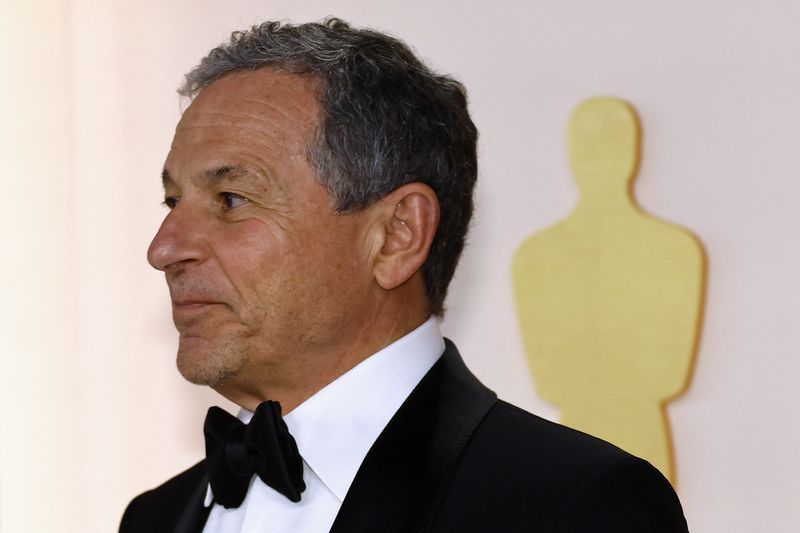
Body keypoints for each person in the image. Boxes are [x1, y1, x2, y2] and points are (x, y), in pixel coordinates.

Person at [120, 18, 689, 533]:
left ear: (396, 236)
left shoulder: (575, 510)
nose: (163, 248)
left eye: (232, 198)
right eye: (172, 202)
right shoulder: (154, 519)